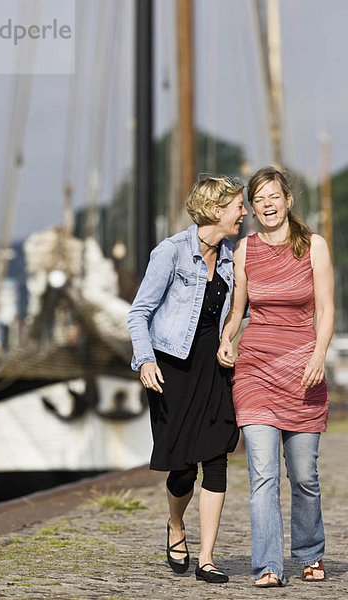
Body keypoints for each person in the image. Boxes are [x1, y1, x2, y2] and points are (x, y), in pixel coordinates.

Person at [217, 166, 334, 587]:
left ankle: (309, 553)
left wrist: (319, 354)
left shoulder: (313, 246)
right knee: (263, 473)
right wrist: (227, 338)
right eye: (259, 198)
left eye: (273, 196)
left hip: (304, 370)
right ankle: (268, 565)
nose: (267, 205)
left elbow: (327, 309)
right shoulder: (244, 250)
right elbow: (237, 310)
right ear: (252, 207)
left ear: (287, 200)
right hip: (256, 372)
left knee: (303, 475)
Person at [127, 175, 248, 584]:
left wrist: (229, 338)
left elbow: (235, 311)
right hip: (170, 369)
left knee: (216, 460)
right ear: (216, 210)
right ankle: (176, 527)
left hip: (213, 370)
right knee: (181, 470)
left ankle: (207, 558)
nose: (243, 213)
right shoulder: (172, 253)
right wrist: (144, 361)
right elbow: (138, 313)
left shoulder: (233, 255)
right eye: (238, 206)